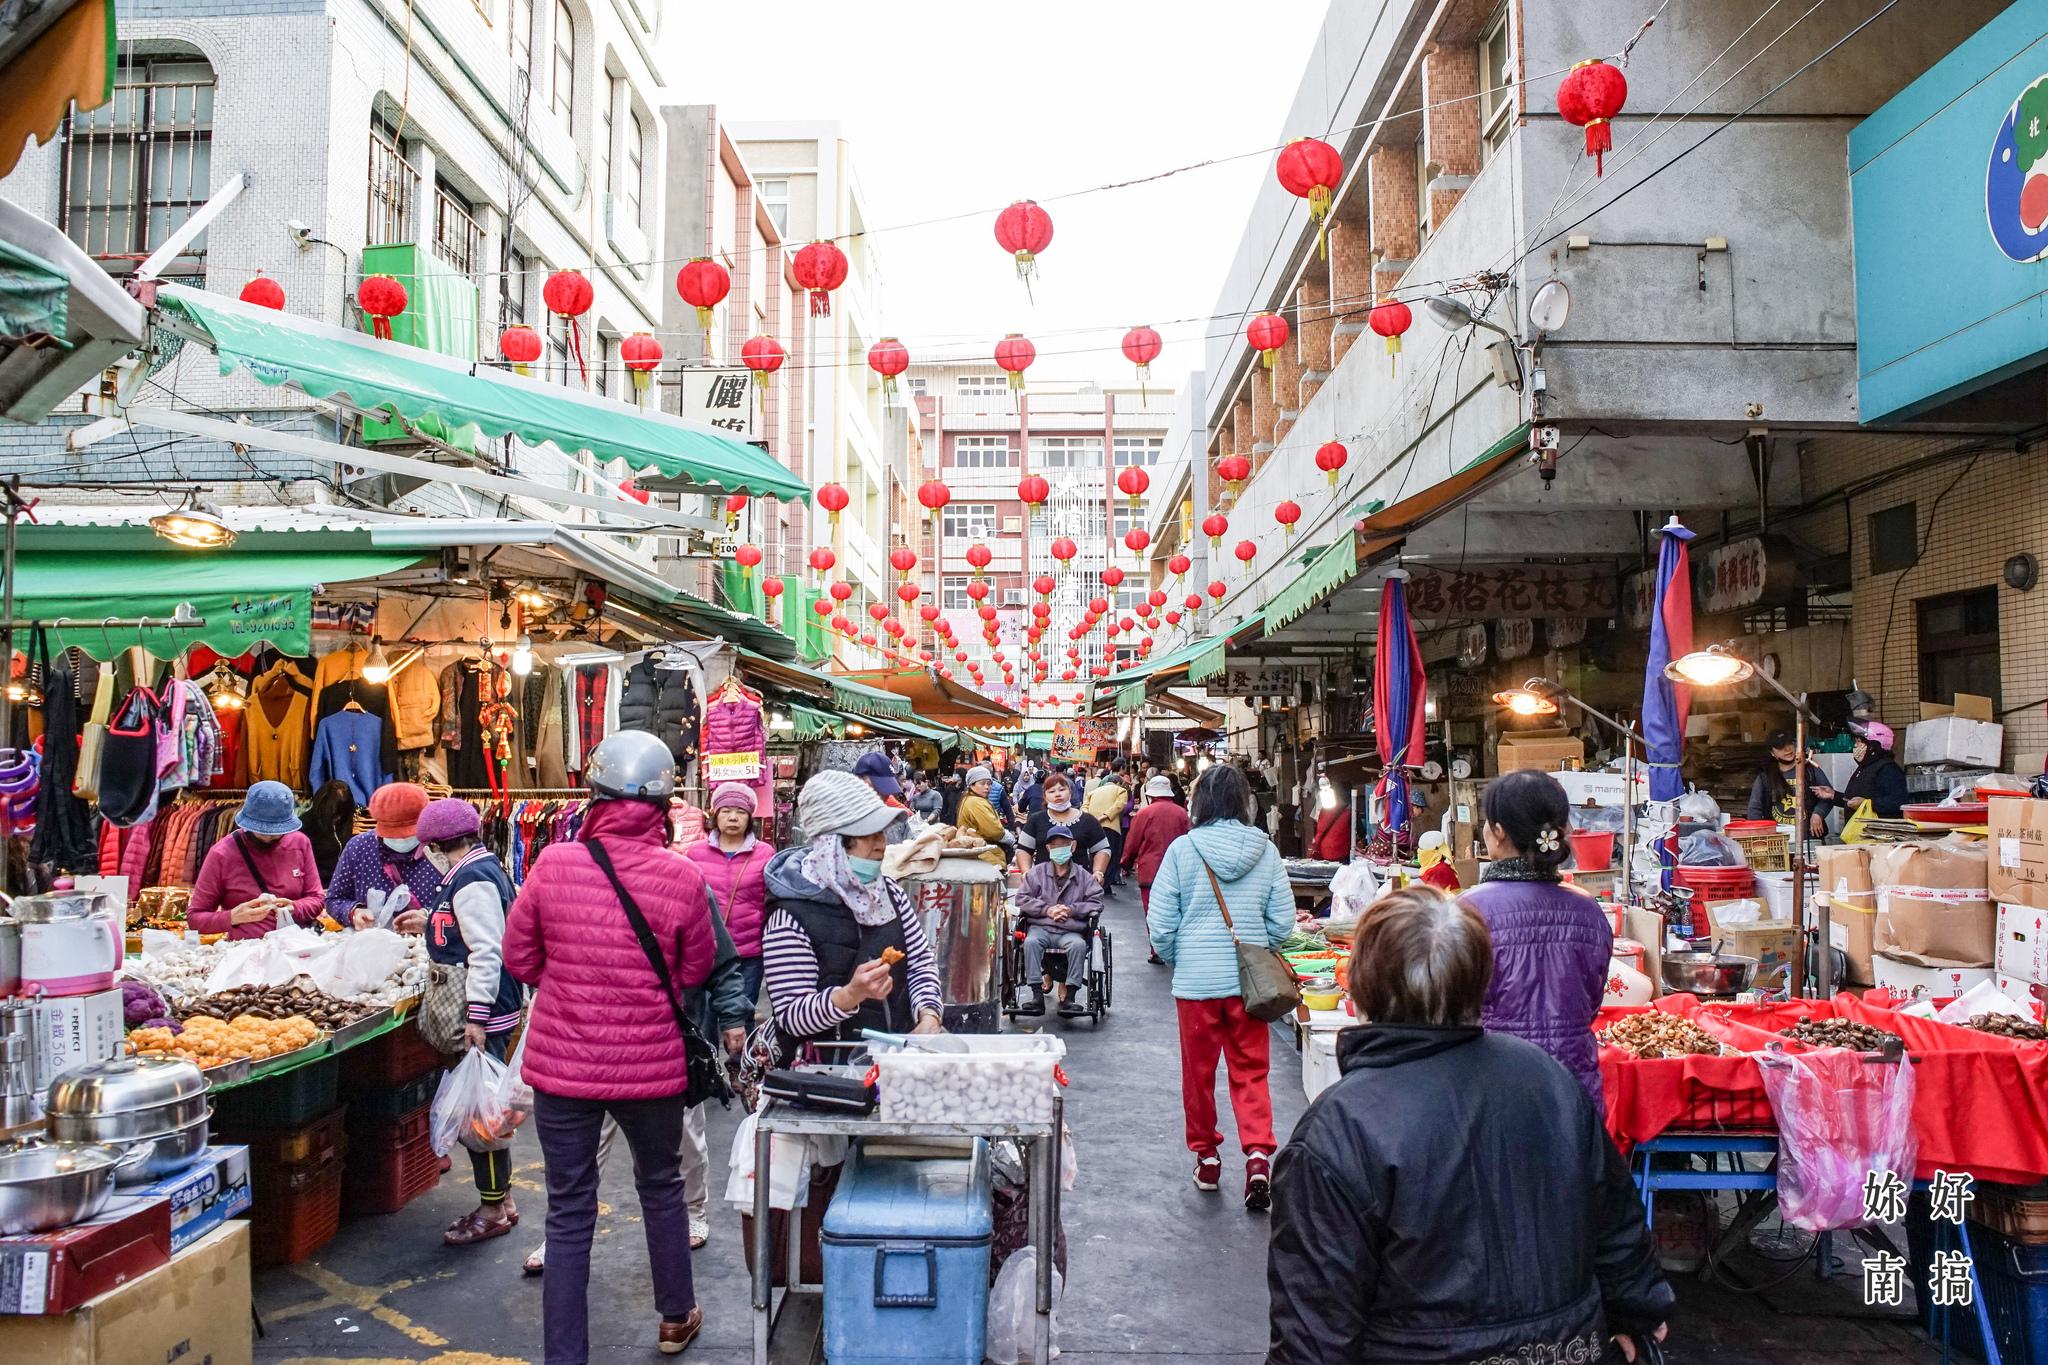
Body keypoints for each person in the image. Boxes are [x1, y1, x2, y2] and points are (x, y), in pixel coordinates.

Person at [1265, 887, 1673, 1364]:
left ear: (1359, 987)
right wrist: (1638, 1310)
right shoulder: (1547, 1077)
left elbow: (1313, 1332)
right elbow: (1617, 1223)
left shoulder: (1338, 1128)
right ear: (1479, 981)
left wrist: (1635, 1310)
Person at [503, 731, 753, 1360]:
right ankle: (675, 1318)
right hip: (652, 1068)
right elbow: (696, 967)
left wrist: (572, 985)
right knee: (661, 1187)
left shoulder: (554, 864)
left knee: (568, 1211)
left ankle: (566, 1354)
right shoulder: (681, 875)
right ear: (665, 806)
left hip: (564, 1069)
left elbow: (518, 957)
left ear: (594, 797)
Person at [1147, 764, 1294, 1211]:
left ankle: (1208, 1159)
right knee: (1250, 1071)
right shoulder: (1265, 851)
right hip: (1249, 988)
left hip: (1196, 985)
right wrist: (1256, 950)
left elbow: (1161, 925)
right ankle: (1256, 1158)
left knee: (1199, 1075)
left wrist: (1181, 958)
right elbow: (1282, 923)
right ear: (1243, 800)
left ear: (1200, 802)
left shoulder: (1182, 850)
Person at [1458, 769, 1613, 1109]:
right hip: (1574, 1091)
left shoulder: (1469, 911)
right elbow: (1591, 1003)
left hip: (1495, 1088)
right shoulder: (1589, 911)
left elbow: (1455, 1008)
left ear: (1498, 832)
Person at [762, 770, 945, 1047]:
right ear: (832, 844)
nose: (880, 845)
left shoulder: (891, 893)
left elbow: (920, 962)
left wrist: (929, 1015)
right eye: (867, 835)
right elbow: (790, 1015)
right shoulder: (789, 916)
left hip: (894, 1059)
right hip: (826, 1072)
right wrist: (850, 995)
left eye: (881, 833)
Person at [416, 798, 526, 1246]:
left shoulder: (473, 878)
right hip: (484, 1006)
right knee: (486, 1109)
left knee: (483, 1115)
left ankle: (493, 1207)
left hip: (482, 1012)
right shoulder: (478, 870)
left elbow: (487, 950)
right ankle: (503, 1200)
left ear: (442, 845)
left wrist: (476, 1017)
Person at [188, 781, 327, 939]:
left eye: (276, 832)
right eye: (261, 831)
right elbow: (195, 919)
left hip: (295, 947)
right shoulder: (222, 854)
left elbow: (316, 899)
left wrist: (294, 907)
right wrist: (233, 917)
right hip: (246, 951)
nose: (268, 837)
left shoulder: (300, 843)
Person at [684, 782, 775, 1010]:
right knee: (705, 1018)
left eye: (740, 812)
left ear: (749, 817)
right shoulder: (695, 853)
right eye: (726, 811)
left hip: (748, 952)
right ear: (715, 815)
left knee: (742, 1015)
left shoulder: (765, 853)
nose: (733, 818)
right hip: (707, 951)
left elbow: (771, 902)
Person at [1012, 824, 1104, 1017]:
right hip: (1041, 926)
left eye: (1064, 844)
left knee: (1078, 946)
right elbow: (1022, 899)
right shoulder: (1037, 873)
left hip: (1070, 930)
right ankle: (1037, 995)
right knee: (1030, 942)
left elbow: (1096, 902)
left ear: (1072, 846)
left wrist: (1071, 910)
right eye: (1054, 845)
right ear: (1048, 849)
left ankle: (1069, 997)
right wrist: (1048, 910)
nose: (1059, 848)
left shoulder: (1083, 876)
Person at [328, 781, 437, 933]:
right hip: (372, 946)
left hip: (429, 948)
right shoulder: (359, 847)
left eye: (409, 833)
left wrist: (430, 918)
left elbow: (464, 905)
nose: (401, 839)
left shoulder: (441, 849)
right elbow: (335, 899)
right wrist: (354, 912)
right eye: (394, 834)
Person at [1122, 774, 1190, 964]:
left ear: (1150, 795)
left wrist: (1125, 862)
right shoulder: (1182, 814)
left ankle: (1158, 950)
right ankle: (1178, 946)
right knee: (1179, 909)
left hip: (1151, 871)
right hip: (1179, 870)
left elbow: (1133, 843)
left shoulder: (1144, 814)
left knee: (1153, 912)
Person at [1015, 770, 1111, 879]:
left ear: (1070, 792)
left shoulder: (1087, 820)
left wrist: (1098, 872)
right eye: (1051, 791)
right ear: (1045, 797)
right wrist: (1026, 872)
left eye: (1062, 789)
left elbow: (1102, 849)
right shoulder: (1036, 820)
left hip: (1080, 884)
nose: (1058, 794)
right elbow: (1023, 849)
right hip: (1042, 884)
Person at [1746, 729, 1838, 836]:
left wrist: (1818, 814)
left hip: (1810, 838)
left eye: (1789, 743)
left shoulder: (1810, 770)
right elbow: (1754, 809)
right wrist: (1759, 835)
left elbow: (1828, 797)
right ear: (1772, 753)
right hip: (1777, 840)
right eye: (1780, 747)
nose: (1787, 749)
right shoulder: (1765, 777)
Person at [1844, 721, 1908, 820]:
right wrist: (1833, 796)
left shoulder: (1887, 768)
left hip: (1878, 831)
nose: (1856, 745)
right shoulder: (1865, 767)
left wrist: (1868, 803)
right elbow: (1853, 799)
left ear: (1873, 745)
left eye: (1859, 741)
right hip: (1860, 831)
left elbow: (1898, 801)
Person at [1083, 762, 1131, 889]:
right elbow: (1119, 806)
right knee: (1112, 857)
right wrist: (1105, 816)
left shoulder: (1094, 792)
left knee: (1094, 855)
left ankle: (1093, 882)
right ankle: (1104, 885)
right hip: (1111, 828)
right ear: (1118, 783)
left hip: (1094, 828)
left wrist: (1092, 819)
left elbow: (1084, 807)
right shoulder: (1121, 790)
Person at [952, 766, 1010, 865]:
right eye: (982, 783)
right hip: (982, 855)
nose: (987, 787)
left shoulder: (970, 798)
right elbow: (994, 831)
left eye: (989, 783)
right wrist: (1008, 837)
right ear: (971, 785)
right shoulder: (976, 802)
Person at [852, 751, 912, 842]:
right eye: (878, 787)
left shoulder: (898, 822)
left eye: (887, 789)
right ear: (858, 781)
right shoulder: (842, 822)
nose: (884, 795)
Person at [1311, 786, 1352, 861]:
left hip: (1325, 850)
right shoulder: (1350, 811)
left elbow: (1320, 829)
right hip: (1341, 852)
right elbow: (1359, 831)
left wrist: (1316, 844)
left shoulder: (1325, 809)